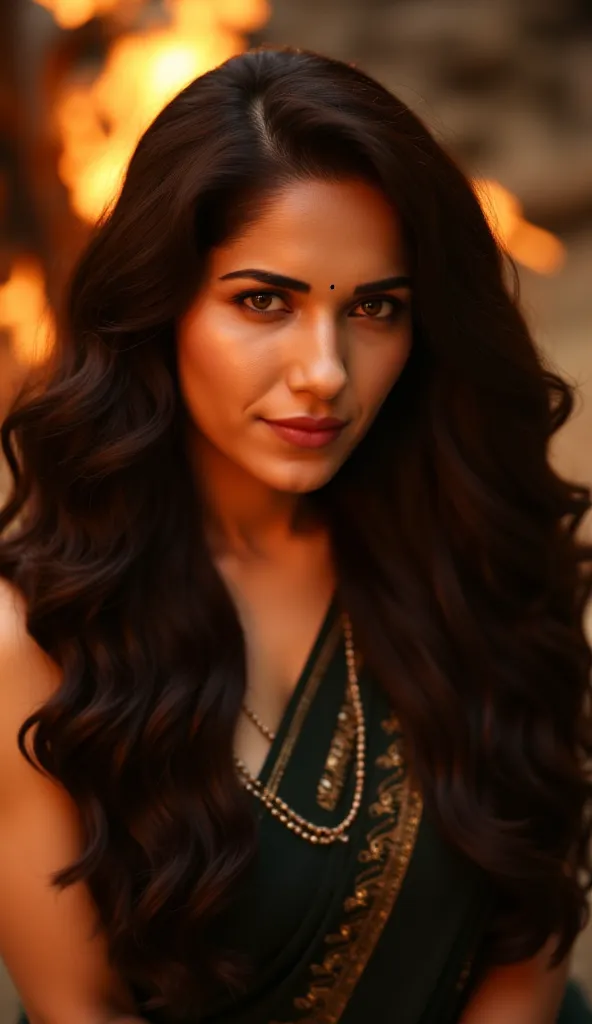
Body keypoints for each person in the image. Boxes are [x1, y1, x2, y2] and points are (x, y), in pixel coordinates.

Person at [0, 43, 591, 1024]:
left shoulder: (467, 555)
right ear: (160, 308)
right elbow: (82, 1009)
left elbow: (526, 935)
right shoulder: (36, 643)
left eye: (374, 308)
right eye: (263, 301)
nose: (325, 369)